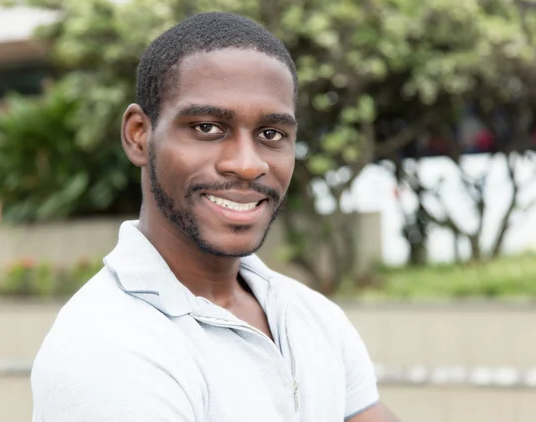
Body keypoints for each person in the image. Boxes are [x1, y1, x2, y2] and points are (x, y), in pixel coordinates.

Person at [31, 12, 399, 422]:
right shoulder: (106, 346)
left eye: (271, 134)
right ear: (139, 134)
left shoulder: (311, 316)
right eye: (207, 127)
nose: (246, 164)